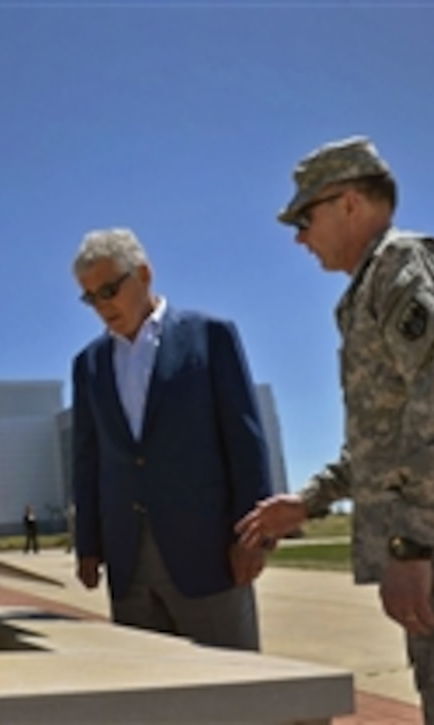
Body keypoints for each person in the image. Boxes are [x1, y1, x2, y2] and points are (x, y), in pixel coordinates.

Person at [235, 136, 434, 723]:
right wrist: (308, 502)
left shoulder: (406, 268)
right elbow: (389, 444)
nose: (299, 237)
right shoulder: (372, 289)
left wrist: (411, 544)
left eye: (304, 217)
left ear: (349, 202)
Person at [71, 227, 273, 651]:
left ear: (143, 274)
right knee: (152, 702)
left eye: (109, 290)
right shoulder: (88, 365)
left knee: (232, 694)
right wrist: (88, 545)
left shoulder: (209, 337)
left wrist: (254, 538)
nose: (102, 306)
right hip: (129, 563)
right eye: (91, 297)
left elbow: (245, 442)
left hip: (208, 555)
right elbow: (87, 461)